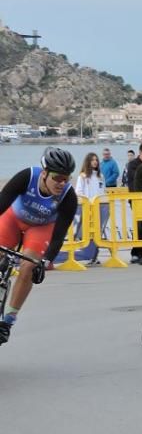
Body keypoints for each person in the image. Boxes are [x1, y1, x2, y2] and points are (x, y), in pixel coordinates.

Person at [0, 148, 78, 345]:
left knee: (28, 266)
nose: (61, 183)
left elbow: (58, 236)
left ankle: (8, 321)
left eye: (66, 179)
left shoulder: (69, 197)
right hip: (13, 220)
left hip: (41, 228)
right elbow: (1, 205)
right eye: (57, 178)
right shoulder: (27, 176)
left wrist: (45, 261)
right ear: (44, 173)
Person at [73, 152, 107, 264]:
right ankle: (81, 255)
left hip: (99, 208)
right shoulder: (82, 176)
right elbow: (79, 191)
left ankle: (94, 256)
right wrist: (87, 201)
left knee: (97, 233)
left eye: (96, 160)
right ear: (88, 161)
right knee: (84, 233)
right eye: (92, 160)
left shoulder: (100, 176)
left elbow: (103, 191)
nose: (95, 162)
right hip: (87, 208)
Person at [126, 143, 142, 263]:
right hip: (136, 198)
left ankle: (141, 252)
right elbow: (136, 179)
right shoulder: (133, 165)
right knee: (139, 226)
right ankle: (138, 253)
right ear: (141, 152)